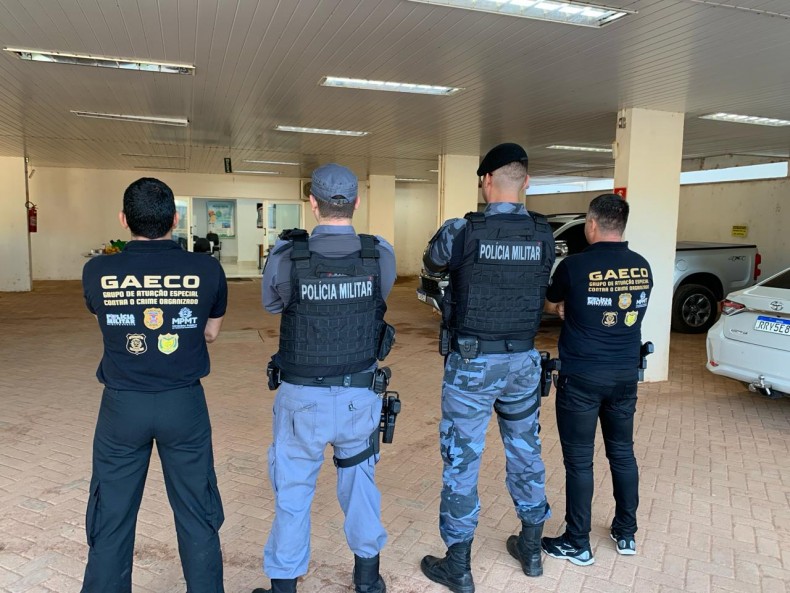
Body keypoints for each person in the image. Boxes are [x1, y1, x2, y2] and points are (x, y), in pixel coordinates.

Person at [420, 143, 556, 593]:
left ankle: (458, 567)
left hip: (473, 365)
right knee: (526, 452)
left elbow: (431, 263)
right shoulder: (543, 233)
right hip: (523, 362)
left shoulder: (462, 230)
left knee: (462, 460)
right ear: (526, 182)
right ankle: (531, 550)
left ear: (486, 181)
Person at [80, 177, 227, 592]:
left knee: (112, 515)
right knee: (197, 511)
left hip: (122, 407)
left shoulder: (97, 270)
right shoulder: (207, 269)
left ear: (123, 219)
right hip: (184, 405)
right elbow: (210, 333)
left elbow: (103, 319)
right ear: (174, 220)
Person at [255, 163, 397, 593]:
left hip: (302, 401)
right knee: (360, 486)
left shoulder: (287, 254)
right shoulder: (379, 254)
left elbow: (272, 305)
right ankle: (368, 580)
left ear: (312, 203)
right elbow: (378, 298)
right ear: (356, 202)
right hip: (359, 397)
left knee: (293, 493)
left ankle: (284, 587)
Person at [541, 193, 653, 566]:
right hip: (625, 375)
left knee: (579, 461)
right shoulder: (642, 267)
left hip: (582, 377)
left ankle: (577, 542)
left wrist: (562, 306)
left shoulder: (574, 266)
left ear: (591, 224)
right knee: (622, 452)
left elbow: (552, 301)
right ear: (621, 224)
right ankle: (626, 532)